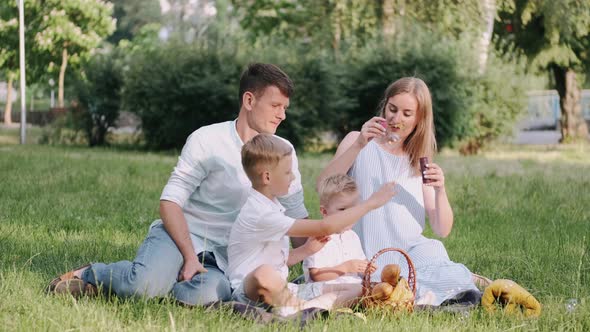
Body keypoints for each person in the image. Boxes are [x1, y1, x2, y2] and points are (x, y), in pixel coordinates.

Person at [48, 63, 310, 306]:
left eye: (285, 108)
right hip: (181, 235)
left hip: (225, 259)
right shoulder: (207, 140)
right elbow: (170, 202)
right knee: (142, 287)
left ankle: (162, 282)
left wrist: (318, 260)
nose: (282, 115)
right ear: (249, 100)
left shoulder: (284, 151)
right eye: (276, 105)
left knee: (207, 296)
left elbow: (295, 212)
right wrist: (190, 257)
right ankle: (93, 274)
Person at [317, 77, 482, 306]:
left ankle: (448, 285)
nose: (396, 119)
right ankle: (426, 293)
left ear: (419, 119)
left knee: (444, 267)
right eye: (392, 109)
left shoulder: (418, 161)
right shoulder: (359, 141)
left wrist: (440, 190)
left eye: (407, 113)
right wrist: (358, 145)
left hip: (410, 252)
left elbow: (441, 229)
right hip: (366, 255)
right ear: (385, 106)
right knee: (381, 286)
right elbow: (322, 185)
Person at [226, 134, 396, 316]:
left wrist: (307, 250)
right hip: (248, 293)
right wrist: (370, 204)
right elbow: (325, 227)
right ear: (267, 177)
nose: (292, 177)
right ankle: (301, 309)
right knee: (264, 273)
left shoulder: (273, 206)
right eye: (287, 172)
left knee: (358, 289)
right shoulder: (260, 212)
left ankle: (303, 309)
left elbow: (282, 261)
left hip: (285, 290)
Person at [302, 174, 376, 285]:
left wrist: (366, 267)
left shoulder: (352, 236)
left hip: (352, 287)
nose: (348, 215)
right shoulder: (319, 238)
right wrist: (345, 267)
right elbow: (316, 276)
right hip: (325, 289)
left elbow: (360, 262)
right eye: (342, 209)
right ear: (324, 212)